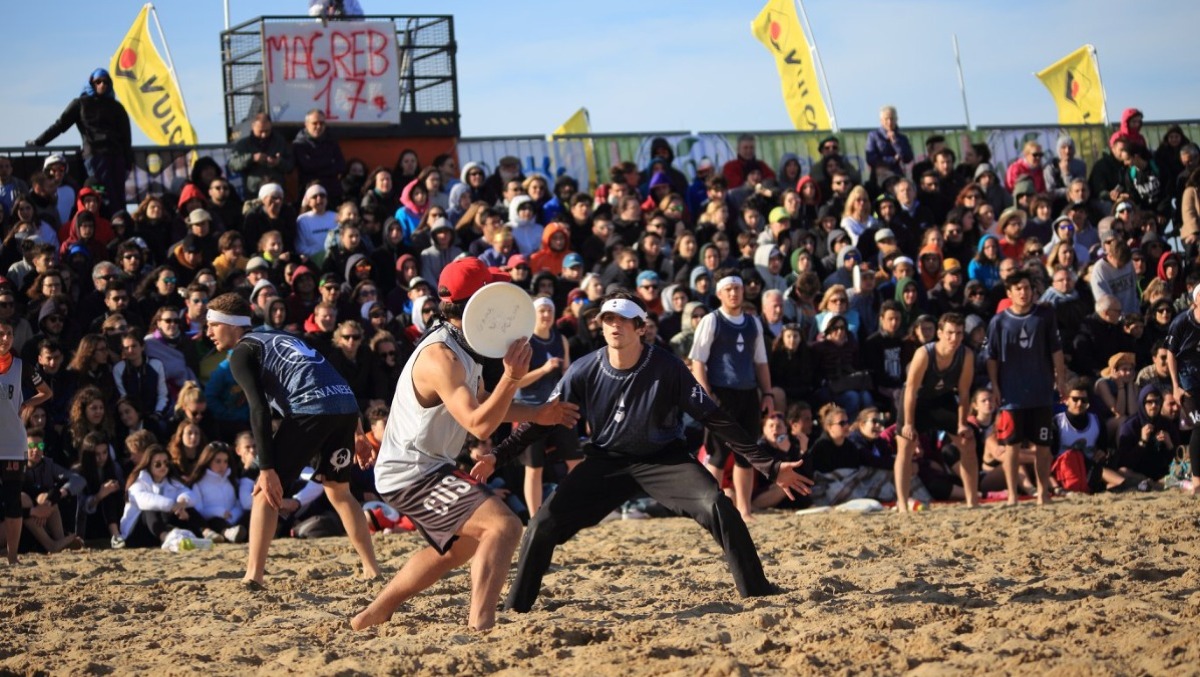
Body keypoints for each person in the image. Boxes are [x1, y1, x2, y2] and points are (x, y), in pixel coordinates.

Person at [484, 292, 810, 615]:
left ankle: (757, 591)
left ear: (641, 328)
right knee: (542, 523)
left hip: (664, 460)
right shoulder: (584, 369)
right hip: (606, 461)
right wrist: (496, 457)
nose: (614, 326)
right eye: (608, 319)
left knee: (717, 506)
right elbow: (541, 422)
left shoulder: (667, 367)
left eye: (624, 319)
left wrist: (770, 466)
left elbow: (716, 418)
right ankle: (516, 607)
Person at [351, 258, 580, 632]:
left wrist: (540, 413)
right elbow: (479, 422)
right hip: (410, 470)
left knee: (462, 548)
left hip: (426, 465)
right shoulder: (441, 357)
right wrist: (513, 376)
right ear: (478, 306)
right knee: (504, 527)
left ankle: (374, 613)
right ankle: (481, 624)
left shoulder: (460, 346)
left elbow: (487, 401)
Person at [204, 292, 380, 588]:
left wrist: (266, 467)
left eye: (212, 325)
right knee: (338, 490)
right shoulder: (279, 336)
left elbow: (258, 410)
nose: (207, 333)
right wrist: (357, 428)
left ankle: (253, 576)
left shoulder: (242, 353)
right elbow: (330, 374)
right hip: (343, 406)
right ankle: (372, 569)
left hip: (310, 409)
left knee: (265, 492)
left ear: (232, 325)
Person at [688, 273, 776, 519]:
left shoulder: (753, 322)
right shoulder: (711, 320)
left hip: (748, 393)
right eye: (728, 289)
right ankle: (712, 509)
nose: (734, 293)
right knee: (716, 454)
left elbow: (761, 362)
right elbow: (698, 361)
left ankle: (744, 509)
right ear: (719, 294)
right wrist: (705, 393)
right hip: (721, 394)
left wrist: (767, 393)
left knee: (746, 455)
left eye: (737, 288)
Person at [986, 271, 1069, 506]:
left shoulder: (1044, 316)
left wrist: (1060, 380)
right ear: (1009, 293)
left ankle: (1043, 492)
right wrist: (994, 386)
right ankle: (1013, 494)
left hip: (1041, 393)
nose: (1023, 292)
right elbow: (991, 357)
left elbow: (1056, 350)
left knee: (1043, 446)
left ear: (1033, 291)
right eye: (1018, 288)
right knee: (1011, 447)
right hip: (1011, 396)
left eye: (1027, 288)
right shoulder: (999, 321)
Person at [895, 313, 979, 512]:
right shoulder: (924, 354)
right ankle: (902, 503)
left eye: (959, 333)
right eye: (950, 333)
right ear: (939, 333)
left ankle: (972, 500)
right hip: (917, 401)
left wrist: (962, 423)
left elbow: (964, 392)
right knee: (905, 447)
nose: (954, 338)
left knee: (968, 442)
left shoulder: (966, 355)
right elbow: (910, 390)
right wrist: (908, 423)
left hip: (943, 399)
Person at [28, 69, 132, 215]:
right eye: (98, 81)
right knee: (99, 194)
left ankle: (120, 230)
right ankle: (101, 226)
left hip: (117, 158)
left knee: (118, 198)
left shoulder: (117, 108)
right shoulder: (80, 104)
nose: (102, 85)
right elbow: (60, 125)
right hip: (96, 157)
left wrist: (128, 163)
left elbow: (126, 137)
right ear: (91, 83)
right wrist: (39, 142)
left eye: (106, 82)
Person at [1, 319, 54, 563]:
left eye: (9, 334)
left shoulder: (22, 366)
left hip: (13, 444)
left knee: (12, 500)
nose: (5, 339)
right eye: (1, 334)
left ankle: (12, 558)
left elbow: (46, 392)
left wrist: (28, 403)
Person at [1166, 285, 1200, 494]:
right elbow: (1170, 354)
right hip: (1188, 383)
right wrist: (1175, 387)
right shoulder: (1181, 322)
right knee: (1199, 426)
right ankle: (1197, 480)